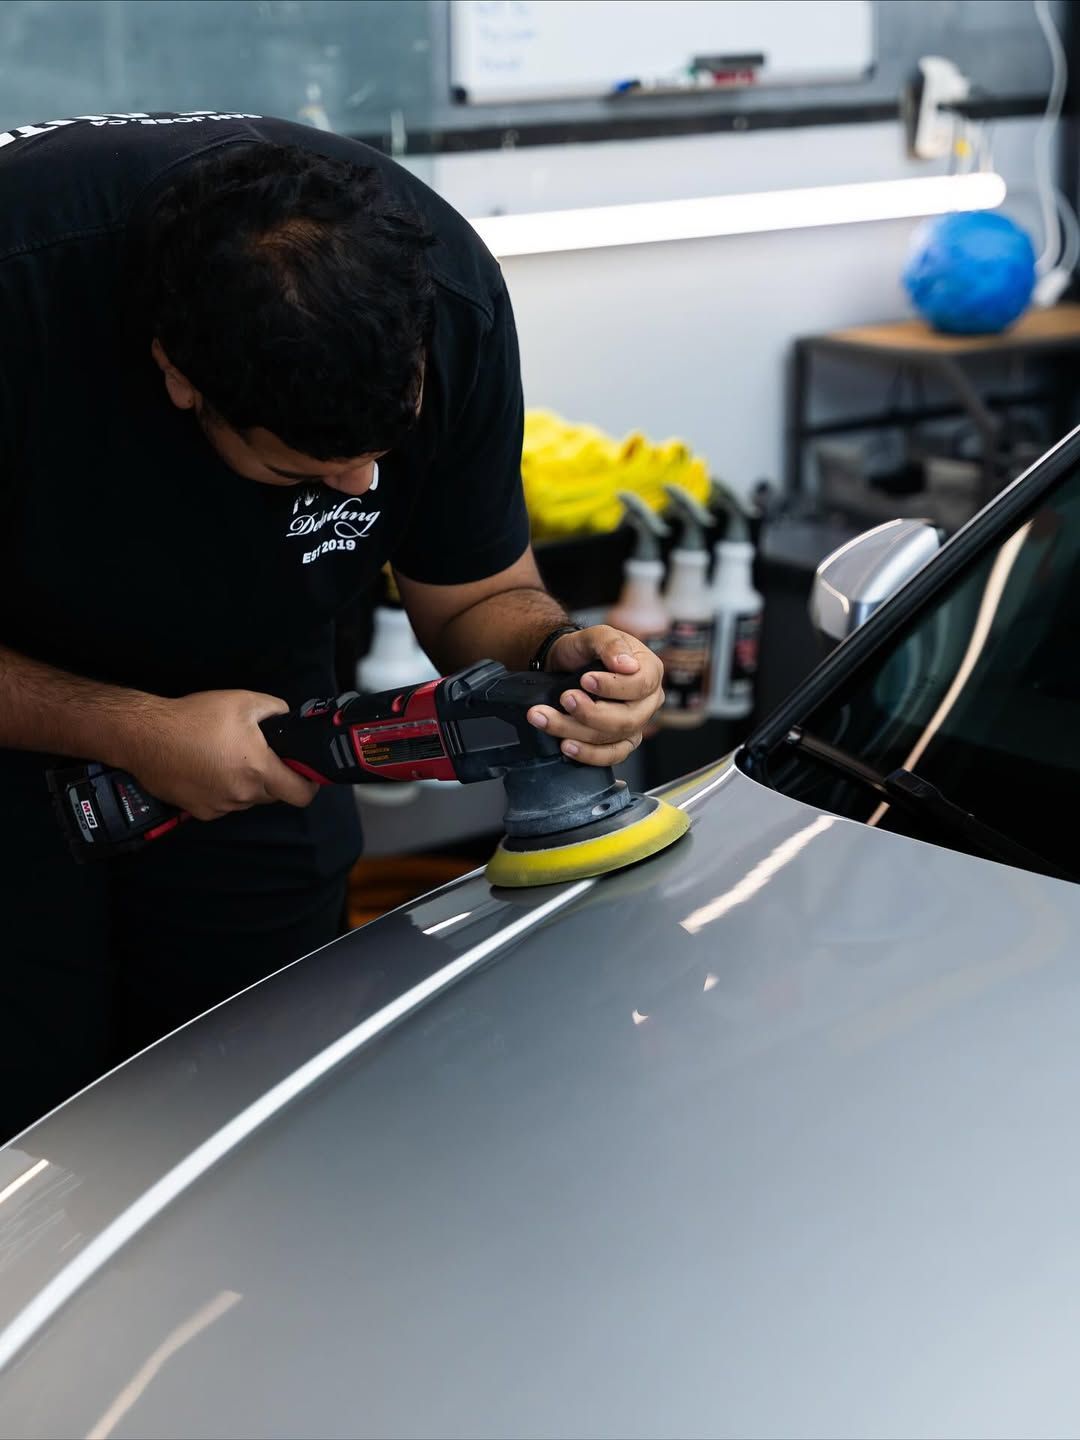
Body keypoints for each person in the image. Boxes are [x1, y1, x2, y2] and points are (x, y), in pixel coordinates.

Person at [0, 110, 664, 1141]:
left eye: (380, 454)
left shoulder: (446, 299)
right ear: (178, 373)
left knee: (261, 1100)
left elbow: (476, 593)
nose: (359, 488)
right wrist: (129, 729)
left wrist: (552, 657)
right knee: (32, 1125)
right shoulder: (21, 289)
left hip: (259, 726)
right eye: (302, 473)